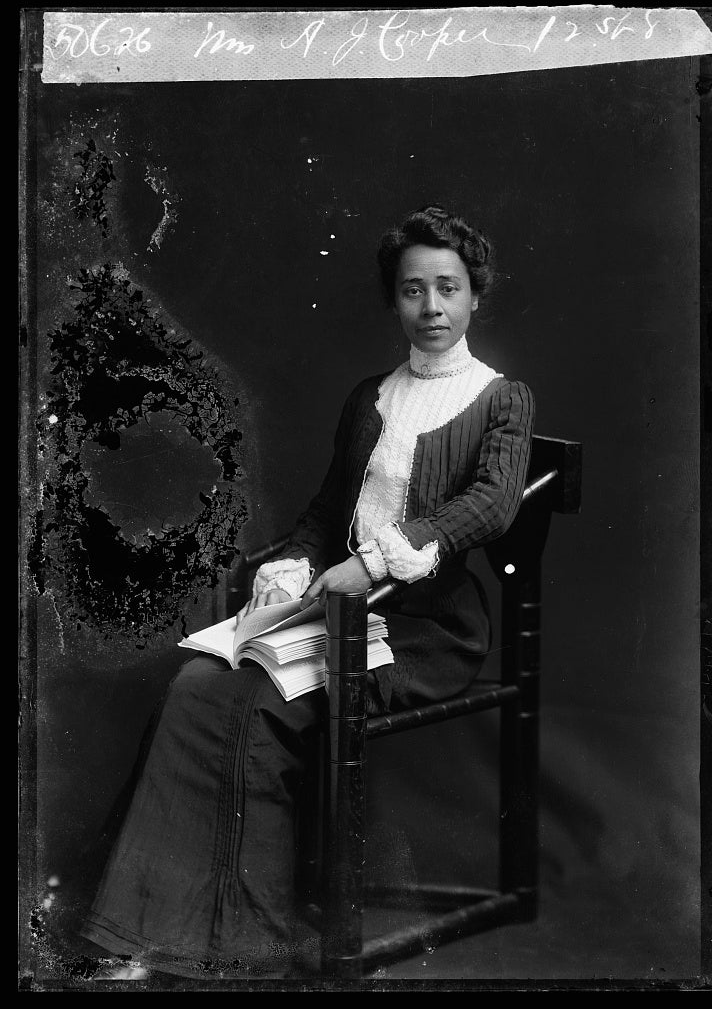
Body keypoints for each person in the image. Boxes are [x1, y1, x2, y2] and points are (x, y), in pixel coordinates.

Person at [81, 204, 535, 980]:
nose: (430, 307)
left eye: (447, 288)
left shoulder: (501, 398)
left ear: (474, 295)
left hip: (425, 631)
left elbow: (492, 504)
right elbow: (328, 513)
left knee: (259, 706)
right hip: (338, 611)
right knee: (195, 687)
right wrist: (292, 566)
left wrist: (379, 563)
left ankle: (241, 938)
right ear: (393, 300)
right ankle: (149, 928)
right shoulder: (370, 397)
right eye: (412, 290)